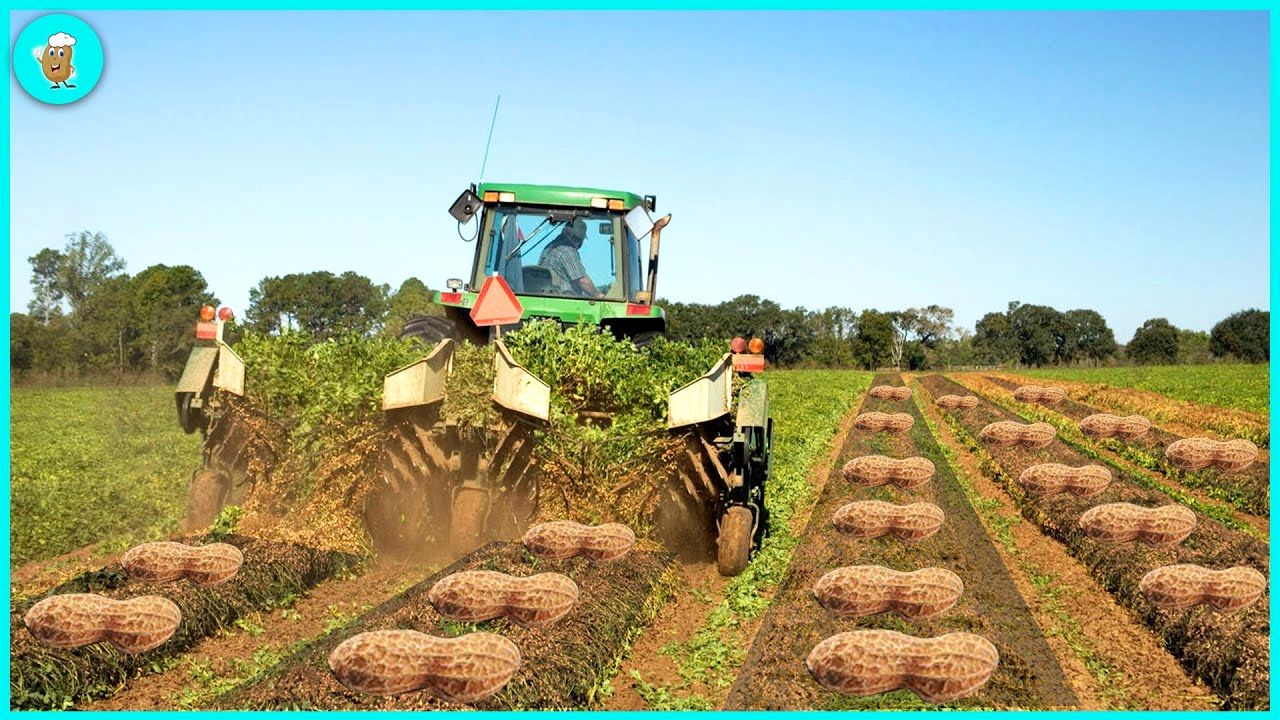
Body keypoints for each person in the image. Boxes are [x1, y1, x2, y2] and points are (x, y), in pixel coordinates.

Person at [538, 218, 602, 297]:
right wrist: (598, 295)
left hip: (547, 298)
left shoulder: (548, 248)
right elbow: (583, 281)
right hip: (565, 301)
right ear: (580, 240)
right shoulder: (568, 251)